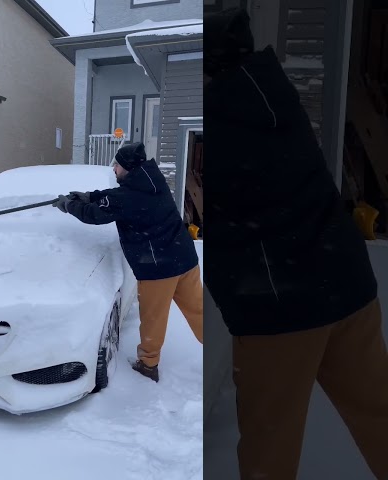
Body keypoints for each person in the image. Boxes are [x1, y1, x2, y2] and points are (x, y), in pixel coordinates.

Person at [204, 8, 388, 479]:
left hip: (281, 306)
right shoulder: (269, 92)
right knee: (379, 416)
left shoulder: (223, 120)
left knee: (270, 449)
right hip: (348, 286)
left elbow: (230, 220)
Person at [52, 142, 202, 382]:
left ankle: (147, 365)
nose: (113, 169)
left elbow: (95, 214)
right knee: (199, 311)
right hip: (185, 260)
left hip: (158, 268)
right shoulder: (152, 181)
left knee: (153, 319)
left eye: (118, 165)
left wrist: (71, 206)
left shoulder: (128, 196)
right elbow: (114, 198)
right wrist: (90, 196)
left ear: (128, 168)